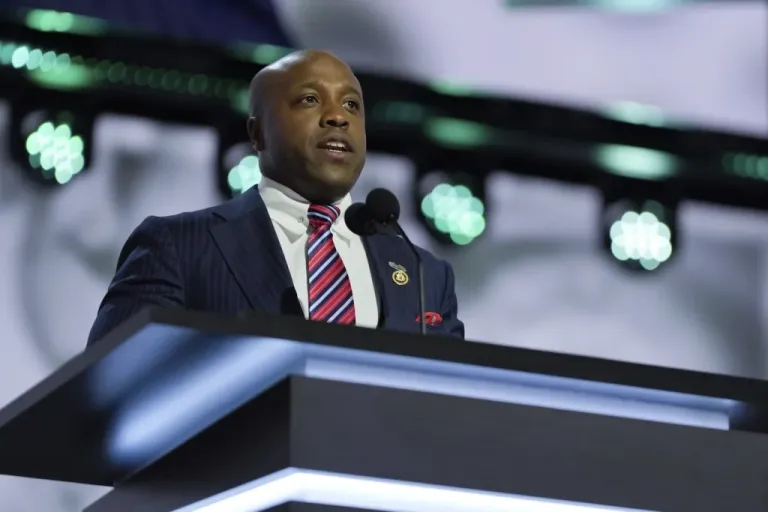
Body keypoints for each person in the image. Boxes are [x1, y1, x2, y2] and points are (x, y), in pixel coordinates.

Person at [86, 49, 464, 346]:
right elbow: (109, 390)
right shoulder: (180, 247)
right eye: (310, 100)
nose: (338, 117)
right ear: (258, 133)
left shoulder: (423, 274)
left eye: (352, 105)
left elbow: (456, 411)